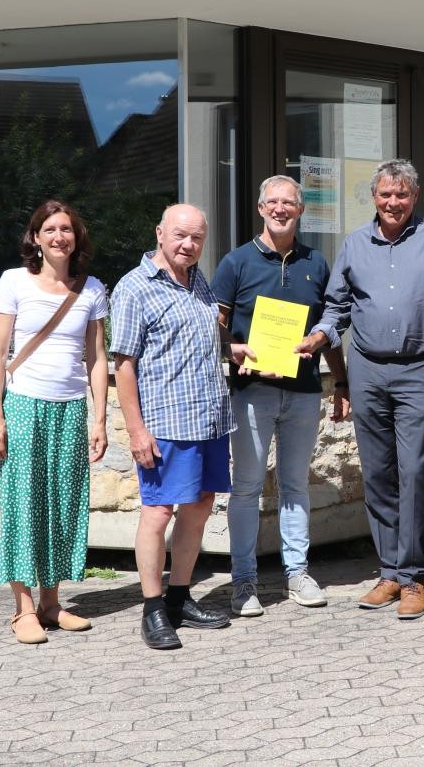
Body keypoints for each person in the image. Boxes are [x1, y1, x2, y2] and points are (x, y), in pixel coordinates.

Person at [297, 159, 424, 621]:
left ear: (415, 197)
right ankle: (389, 572)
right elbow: (336, 306)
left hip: (420, 369)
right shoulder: (356, 243)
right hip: (367, 371)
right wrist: (320, 336)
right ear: (374, 198)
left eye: (401, 195)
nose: (393, 202)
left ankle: (415, 576)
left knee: (414, 470)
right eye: (385, 195)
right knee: (377, 473)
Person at [110, 204, 250, 651]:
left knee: (201, 505)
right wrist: (136, 430)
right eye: (180, 236)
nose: (188, 245)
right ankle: (152, 610)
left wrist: (234, 351)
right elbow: (124, 365)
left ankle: (179, 597)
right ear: (159, 233)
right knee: (158, 513)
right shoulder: (134, 288)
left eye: (197, 238)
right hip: (165, 423)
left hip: (208, 418)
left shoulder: (198, 280)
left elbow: (199, 339)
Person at [211, 175, 351, 618]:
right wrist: (232, 351)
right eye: (272, 202)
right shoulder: (236, 262)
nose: (280, 209)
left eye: (288, 202)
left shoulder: (316, 262)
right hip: (252, 392)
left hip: (304, 391)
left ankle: (297, 573)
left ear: (300, 210)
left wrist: (339, 376)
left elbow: (331, 322)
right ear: (260, 207)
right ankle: (243, 581)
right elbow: (213, 324)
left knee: (295, 484)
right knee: (248, 487)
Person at [0, 199, 110, 644]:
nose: (60, 236)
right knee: (23, 504)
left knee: (62, 504)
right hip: (23, 405)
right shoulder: (14, 282)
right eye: (50, 229)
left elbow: (96, 358)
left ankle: (52, 603)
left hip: (71, 407)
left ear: (77, 237)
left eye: (67, 229)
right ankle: (22, 610)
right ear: (35, 238)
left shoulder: (92, 288)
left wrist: (99, 419)